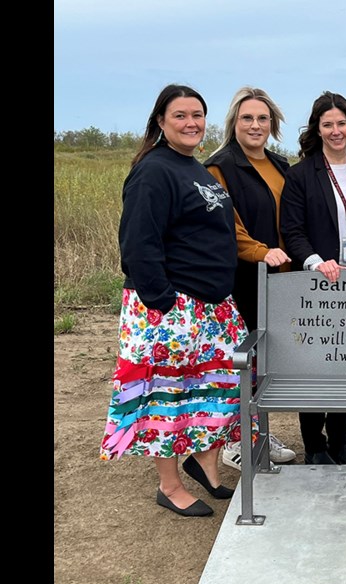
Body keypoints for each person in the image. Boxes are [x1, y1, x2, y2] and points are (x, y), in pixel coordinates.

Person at [99, 84, 242, 517]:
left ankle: (205, 465)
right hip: (171, 309)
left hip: (210, 308)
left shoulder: (192, 166)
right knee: (167, 397)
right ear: (161, 121)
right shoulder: (154, 170)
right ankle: (169, 484)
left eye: (197, 115)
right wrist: (163, 304)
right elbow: (139, 244)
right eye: (180, 115)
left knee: (213, 391)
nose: (191, 123)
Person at [279, 91, 346, 466]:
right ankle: (315, 446)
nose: (336, 131)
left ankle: (339, 441)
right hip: (321, 280)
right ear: (316, 130)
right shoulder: (301, 174)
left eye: (342, 123)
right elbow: (292, 229)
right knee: (317, 365)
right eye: (328, 125)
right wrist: (316, 262)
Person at [204, 86, 297, 470]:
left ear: (272, 124)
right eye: (247, 118)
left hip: (278, 279)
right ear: (234, 123)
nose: (255, 125)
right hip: (241, 279)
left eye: (262, 118)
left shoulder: (280, 165)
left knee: (264, 364)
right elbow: (227, 227)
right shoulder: (218, 167)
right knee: (240, 363)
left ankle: (257, 432)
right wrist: (262, 252)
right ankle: (233, 443)